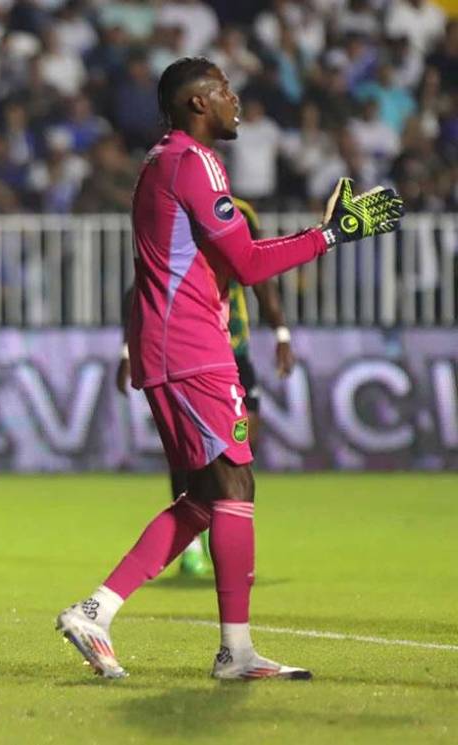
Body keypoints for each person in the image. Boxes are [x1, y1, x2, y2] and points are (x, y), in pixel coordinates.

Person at [57, 57, 403, 681]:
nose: (235, 100)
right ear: (197, 103)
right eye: (223, 90)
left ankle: (96, 610)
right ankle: (235, 653)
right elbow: (244, 261)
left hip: (175, 346)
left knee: (204, 497)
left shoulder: (164, 160)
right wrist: (330, 236)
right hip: (190, 350)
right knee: (235, 488)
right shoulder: (194, 161)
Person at [115, 197, 296, 577]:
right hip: (185, 350)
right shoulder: (173, 215)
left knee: (242, 448)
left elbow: (257, 274)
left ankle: (224, 534)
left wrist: (280, 330)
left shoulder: (240, 214)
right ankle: (195, 546)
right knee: (188, 455)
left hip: (233, 348)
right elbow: (142, 286)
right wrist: (127, 349)